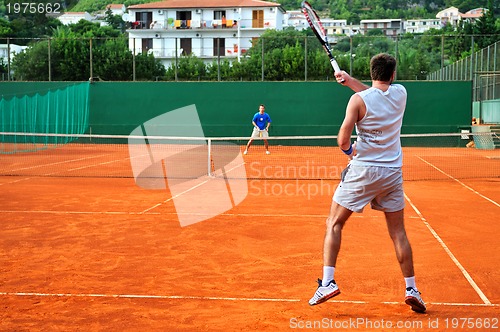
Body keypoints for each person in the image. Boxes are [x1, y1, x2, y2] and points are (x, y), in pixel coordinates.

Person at [308, 53, 426, 313]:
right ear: (392, 75)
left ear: (372, 72)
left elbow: (342, 139)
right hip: (392, 173)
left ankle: (327, 282)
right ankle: (411, 288)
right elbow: (377, 94)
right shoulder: (401, 94)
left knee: (334, 223)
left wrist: (352, 154)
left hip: (364, 171)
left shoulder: (357, 100)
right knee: (398, 233)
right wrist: (351, 81)